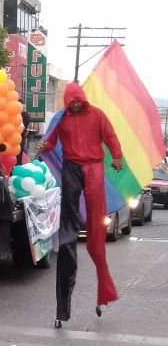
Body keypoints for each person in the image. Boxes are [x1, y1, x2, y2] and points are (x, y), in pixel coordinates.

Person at [37, 82, 123, 328]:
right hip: (72, 167)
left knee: (96, 222)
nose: (74, 104)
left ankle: (97, 249)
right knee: (69, 223)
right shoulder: (62, 118)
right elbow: (51, 141)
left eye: (78, 101)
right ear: (67, 102)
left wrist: (116, 155)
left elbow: (110, 135)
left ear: (83, 100)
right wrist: (45, 146)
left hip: (94, 166)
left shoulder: (96, 114)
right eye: (71, 102)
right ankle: (68, 235)